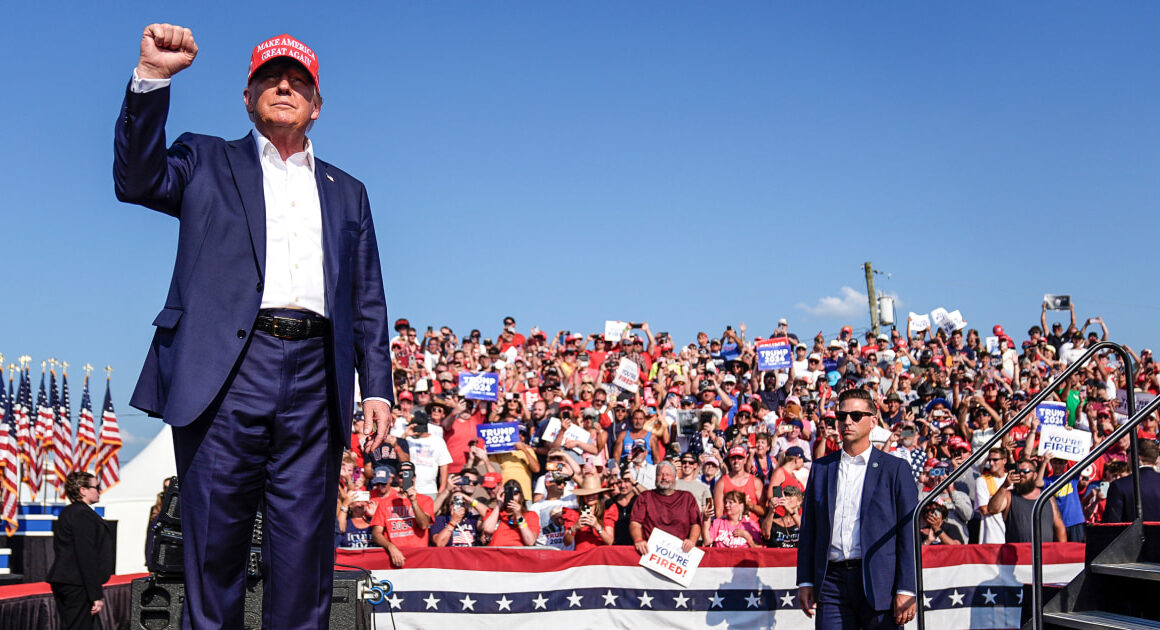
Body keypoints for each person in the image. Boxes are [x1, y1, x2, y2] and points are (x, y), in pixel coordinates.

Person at [114, 25, 395, 628]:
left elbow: (366, 296)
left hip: (316, 380)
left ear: (316, 106)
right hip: (224, 374)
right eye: (271, 78)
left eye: (299, 81)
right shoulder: (206, 158)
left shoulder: (348, 192)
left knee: (304, 562)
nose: (285, 87)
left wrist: (376, 387)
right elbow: (136, 181)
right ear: (248, 97)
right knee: (214, 555)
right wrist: (152, 78)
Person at [797, 388, 918, 629]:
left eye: (855, 416)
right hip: (831, 582)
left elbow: (909, 533)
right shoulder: (821, 469)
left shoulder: (896, 469)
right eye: (841, 417)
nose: (846, 422)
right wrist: (805, 581)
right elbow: (809, 528)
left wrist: (907, 587)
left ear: (874, 420)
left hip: (880, 581)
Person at [48, 472, 115, 630]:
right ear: (83, 490)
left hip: (70, 580)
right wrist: (95, 594)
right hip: (77, 583)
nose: (99, 491)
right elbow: (86, 555)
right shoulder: (81, 514)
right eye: (96, 487)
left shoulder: (71, 512)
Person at [629, 461, 702, 554]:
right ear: (655, 478)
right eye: (660, 474)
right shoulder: (645, 497)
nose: (664, 478)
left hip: (679, 554)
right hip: (650, 553)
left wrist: (691, 541)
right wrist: (638, 540)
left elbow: (695, 524)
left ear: (675, 478)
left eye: (668, 474)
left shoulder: (687, 497)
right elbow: (635, 523)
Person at [987, 459, 1067, 543]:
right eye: (1019, 471)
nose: (1021, 474)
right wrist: (1004, 486)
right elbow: (992, 509)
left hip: (1045, 552)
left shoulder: (1047, 497)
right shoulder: (1009, 496)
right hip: (1018, 553)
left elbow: (1059, 527)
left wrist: (1063, 550)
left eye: (1026, 471)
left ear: (1035, 475)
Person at [1103, 438, 1160, 522]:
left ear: (1137, 456)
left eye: (1128, 451)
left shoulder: (1119, 486)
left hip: (1131, 534)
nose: (1126, 456)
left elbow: (1112, 525)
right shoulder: (1120, 485)